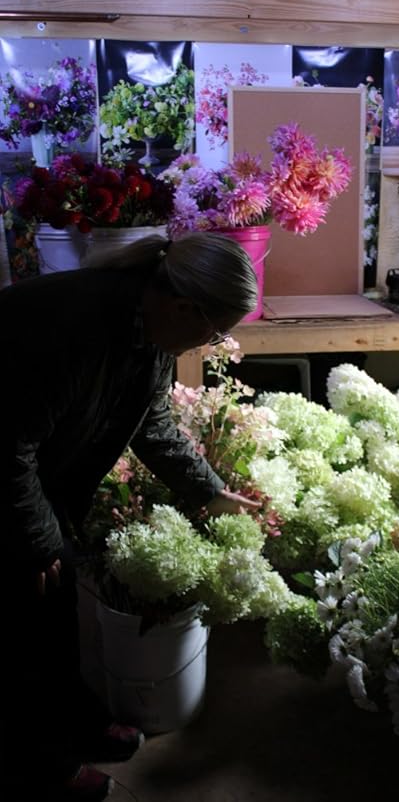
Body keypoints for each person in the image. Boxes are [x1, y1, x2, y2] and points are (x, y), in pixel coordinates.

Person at [0, 231, 260, 801]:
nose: (210, 345)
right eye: (215, 332)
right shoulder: (72, 324)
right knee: (24, 632)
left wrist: (208, 492)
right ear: (185, 307)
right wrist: (37, 540)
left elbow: (152, 423)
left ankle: (77, 726)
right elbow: (9, 445)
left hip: (39, 477)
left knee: (58, 609)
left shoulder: (147, 326)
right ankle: (44, 768)